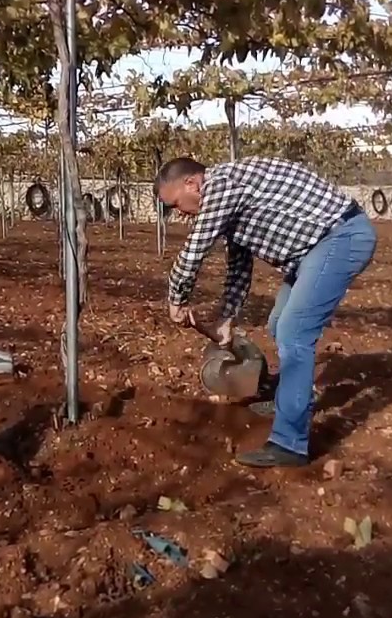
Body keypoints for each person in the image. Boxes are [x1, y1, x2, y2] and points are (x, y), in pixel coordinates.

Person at [155, 156, 377, 468]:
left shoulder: (220, 187)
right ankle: (293, 399)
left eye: (176, 203)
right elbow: (239, 268)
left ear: (193, 183)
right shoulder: (230, 198)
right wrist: (226, 319)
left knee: (294, 331)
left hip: (340, 238)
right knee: (278, 323)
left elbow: (195, 249)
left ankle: (290, 444)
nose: (178, 213)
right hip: (314, 249)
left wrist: (176, 297)